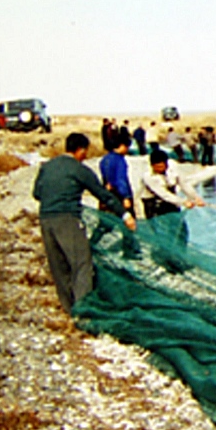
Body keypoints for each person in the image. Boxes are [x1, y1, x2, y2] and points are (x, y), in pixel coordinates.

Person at [32, 133, 137, 314]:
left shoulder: (47, 166)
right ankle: (83, 310)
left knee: (59, 266)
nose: (85, 155)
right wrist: (125, 215)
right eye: (85, 151)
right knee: (82, 263)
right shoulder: (79, 169)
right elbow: (102, 195)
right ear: (81, 150)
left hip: (45, 220)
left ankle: (68, 308)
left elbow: (37, 193)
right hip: (67, 220)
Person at [139, 150, 205, 271]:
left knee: (181, 232)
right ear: (152, 165)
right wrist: (183, 201)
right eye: (156, 166)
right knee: (164, 234)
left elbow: (184, 184)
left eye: (162, 165)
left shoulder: (173, 169)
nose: (159, 168)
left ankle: (180, 259)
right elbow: (163, 194)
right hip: (155, 205)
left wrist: (195, 197)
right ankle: (166, 262)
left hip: (172, 204)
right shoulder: (148, 176)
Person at [97, 133, 141, 258]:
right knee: (128, 223)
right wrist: (126, 197)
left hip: (108, 194)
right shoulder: (120, 160)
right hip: (119, 195)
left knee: (105, 223)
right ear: (121, 146)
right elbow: (120, 179)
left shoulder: (104, 159)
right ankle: (129, 251)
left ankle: (92, 244)